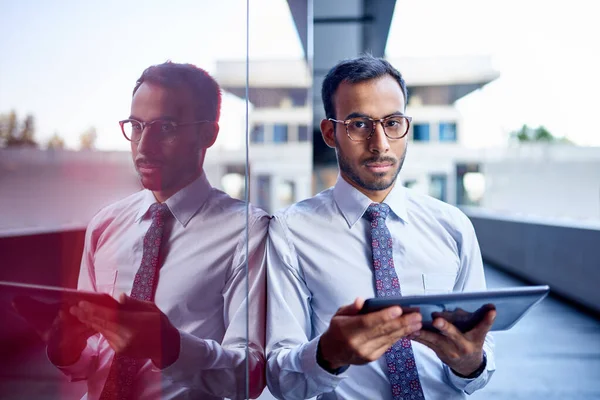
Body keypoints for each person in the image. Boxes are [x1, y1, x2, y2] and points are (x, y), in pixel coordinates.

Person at [265, 55, 496, 399]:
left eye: (393, 122)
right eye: (359, 124)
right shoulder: (288, 232)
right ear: (331, 132)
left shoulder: (453, 227)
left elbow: (479, 366)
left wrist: (470, 363)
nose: (380, 144)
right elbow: (281, 377)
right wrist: (328, 354)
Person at [46, 62, 268, 400]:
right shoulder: (105, 224)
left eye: (166, 127)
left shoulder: (248, 232)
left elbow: (252, 374)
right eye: (136, 126)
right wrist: (65, 349)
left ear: (208, 134)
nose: (144, 146)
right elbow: (93, 359)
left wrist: (171, 347)